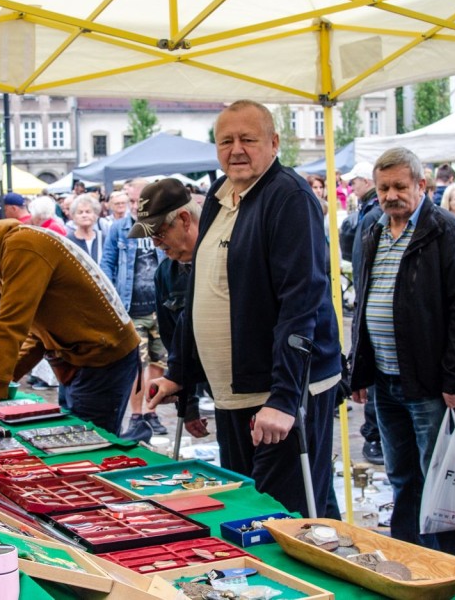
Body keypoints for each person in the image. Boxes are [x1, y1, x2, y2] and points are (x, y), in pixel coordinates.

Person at [148, 100, 342, 518]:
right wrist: (178, 374)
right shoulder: (219, 197)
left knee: (283, 517)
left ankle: (304, 582)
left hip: (277, 392)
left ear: (273, 143)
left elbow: (301, 301)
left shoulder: (289, 197)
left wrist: (285, 398)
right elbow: (203, 292)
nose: (236, 149)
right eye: (226, 141)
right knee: (248, 509)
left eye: (247, 140)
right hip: (233, 392)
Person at [349, 147, 455, 556]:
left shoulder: (444, 230)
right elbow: (365, 301)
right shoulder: (373, 229)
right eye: (384, 187)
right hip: (387, 383)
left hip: (430, 383)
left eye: (399, 186)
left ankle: (443, 563)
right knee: (402, 475)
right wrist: (360, 372)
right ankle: (408, 555)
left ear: (421, 185)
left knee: (438, 478)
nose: (390, 195)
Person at [0, 221, 141, 433]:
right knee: (75, 437)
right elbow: (33, 330)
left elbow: (9, 327)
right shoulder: (7, 255)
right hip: (81, 359)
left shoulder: (22, 248)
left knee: (91, 444)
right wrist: (0, 380)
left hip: (104, 359)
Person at [130, 179, 210, 438]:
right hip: (213, 386)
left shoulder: (221, 258)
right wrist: (188, 405)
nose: (155, 243)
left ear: (185, 219)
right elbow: (176, 345)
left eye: (160, 232)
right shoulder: (166, 273)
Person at [102, 177, 169, 440]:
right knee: (136, 366)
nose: (133, 206)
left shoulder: (160, 226)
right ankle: (137, 415)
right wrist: (112, 301)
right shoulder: (119, 229)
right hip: (131, 308)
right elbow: (107, 264)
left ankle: (152, 412)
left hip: (160, 307)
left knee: (158, 362)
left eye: (138, 201)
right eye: (130, 201)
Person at [341, 161, 384, 466]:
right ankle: (374, 435)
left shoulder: (372, 214)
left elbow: (361, 264)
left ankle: (374, 435)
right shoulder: (368, 213)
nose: (352, 187)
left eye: (354, 181)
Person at [67, 194, 105, 263]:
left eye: (88, 212)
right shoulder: (68, 241)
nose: (84, 215)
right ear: (73, 216)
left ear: (95, 215)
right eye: (80, 212)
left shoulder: (103, 238)